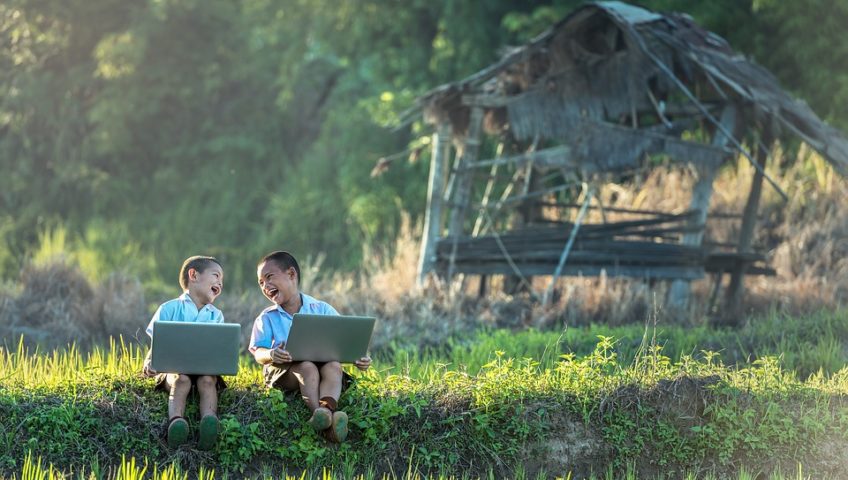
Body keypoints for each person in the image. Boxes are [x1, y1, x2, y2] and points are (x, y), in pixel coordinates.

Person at [249, 250, 371, 443]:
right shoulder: (267, 317)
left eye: (269, 277)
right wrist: (272, 354)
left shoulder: (321, 308)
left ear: (291, 274)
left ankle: (325, 411)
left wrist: (358, 357)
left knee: (333, 366)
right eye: (261, 283)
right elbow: (258, 352)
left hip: (320, 366)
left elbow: (344, 338)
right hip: (284, 371)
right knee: (307, 367)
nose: (265, 286)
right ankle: (320, 414)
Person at [142, 255, 225, 450]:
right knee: (182, 380)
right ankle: (176, 422)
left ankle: (209, 421)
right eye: (216, 276)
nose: (220, 283)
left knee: (207, 380)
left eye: (222, 280)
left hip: (205, 369)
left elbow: (218, 348)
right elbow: (157, 343)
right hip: (174, 369)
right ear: (193, 275)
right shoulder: (169, 308)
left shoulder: (216, 315)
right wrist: (149, 361)